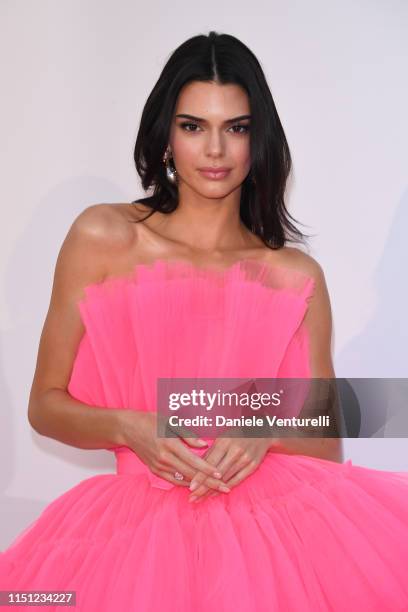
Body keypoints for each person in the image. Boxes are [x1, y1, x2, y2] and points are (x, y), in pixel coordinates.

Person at [1, 30, 408, 612]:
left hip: (272, 546)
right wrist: (132, 427)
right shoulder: (104, 237)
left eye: (235, 128)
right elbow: (45, 404)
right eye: (194, 126)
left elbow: (328, 442)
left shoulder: (294, 275)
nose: (215, 150)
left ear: (257, 140)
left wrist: (263, 430)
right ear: (166, 135)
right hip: (132, 541)